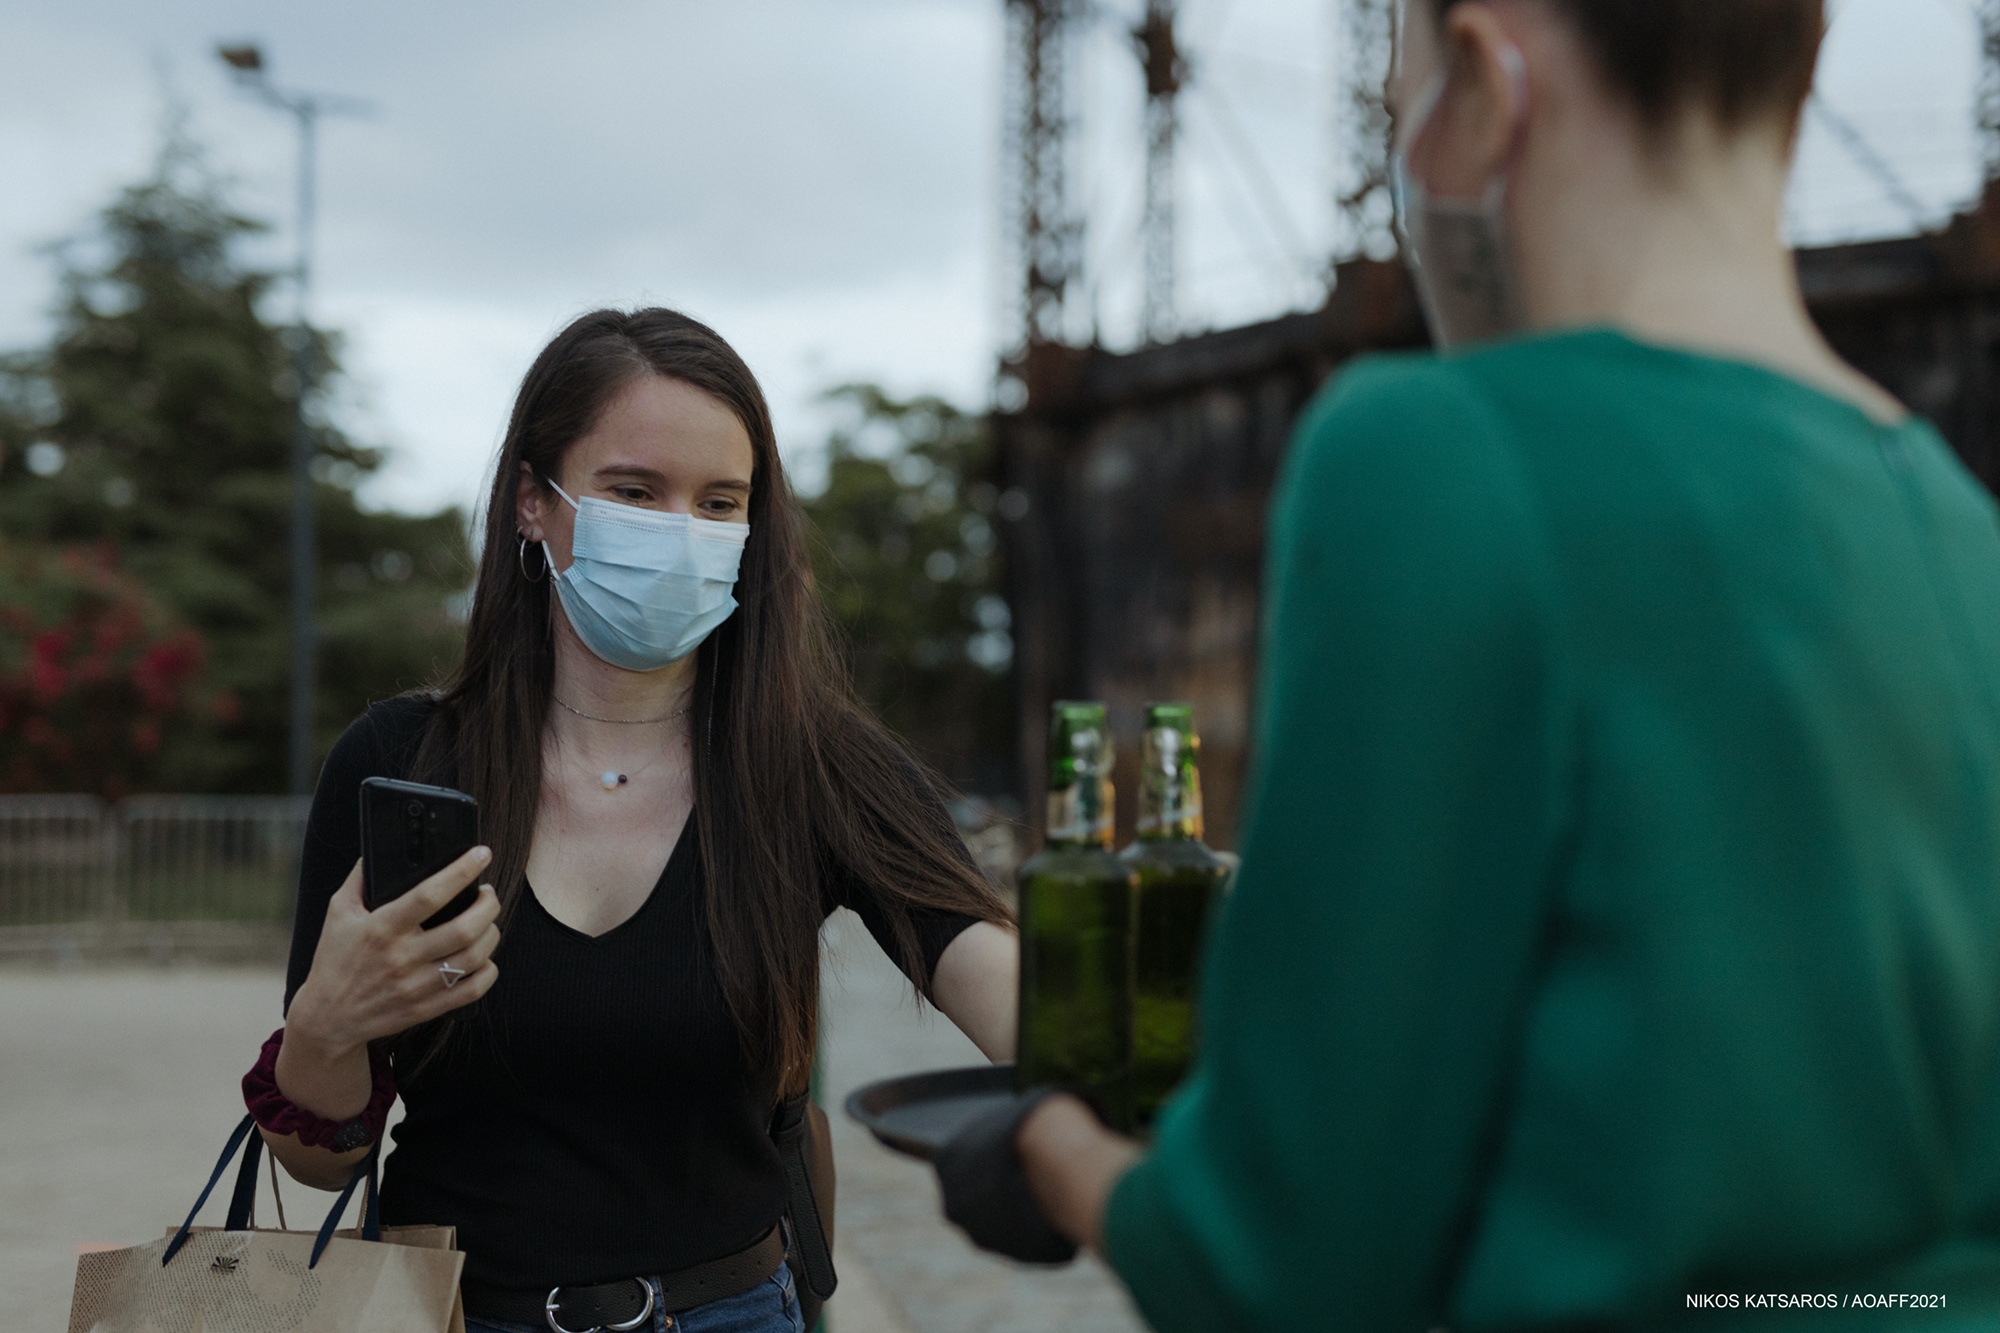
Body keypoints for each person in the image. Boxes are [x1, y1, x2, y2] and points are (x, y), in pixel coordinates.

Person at [936, 0, 2000, 1327]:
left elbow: (1276, 1262)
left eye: (1404, 112)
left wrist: (1045, 1147)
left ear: (1490, 89)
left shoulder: (1435, 452)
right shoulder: (1958, 520)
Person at [250, 308, 1019, 1333]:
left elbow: (1004, 986)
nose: (681, 532)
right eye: (634, 492)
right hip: (454, 1313)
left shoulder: (814, 765)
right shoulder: (399, 762)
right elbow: (314, 1162)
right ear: (534, 501)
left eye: (719, 502)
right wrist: (327, 1022)